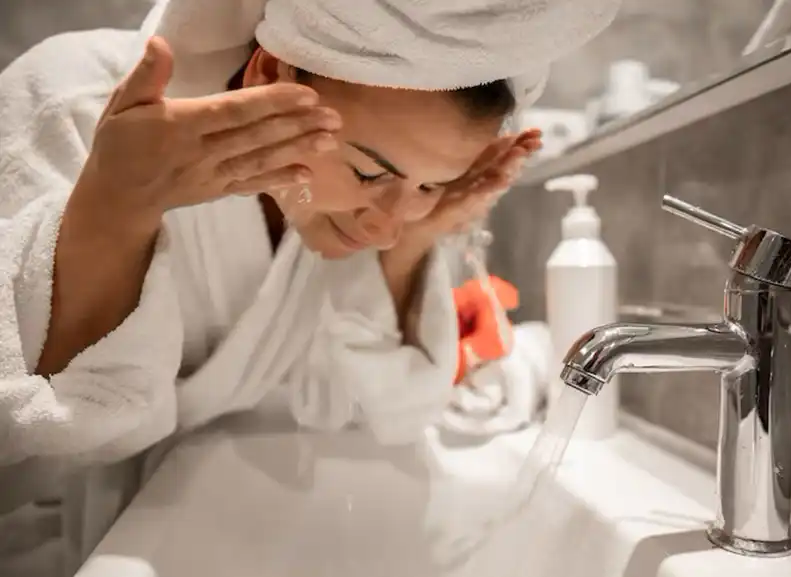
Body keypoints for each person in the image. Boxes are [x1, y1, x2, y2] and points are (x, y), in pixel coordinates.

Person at [0, 0, 619, 574]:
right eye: (369, 171)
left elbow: (378, 412)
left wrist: (414, 241)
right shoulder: (72, 100)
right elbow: (22, 435)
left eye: (431, 184)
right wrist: (112, 210)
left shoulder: (350, 213)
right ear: (272, 74)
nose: (384, 226)